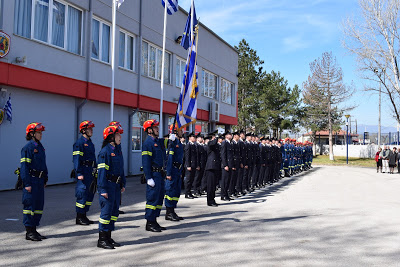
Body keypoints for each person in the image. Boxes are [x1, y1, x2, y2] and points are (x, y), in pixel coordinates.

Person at [97, 125, 126, 249]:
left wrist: (122, 183)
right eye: (118, 134)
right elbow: (102, 172)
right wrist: (102, 189)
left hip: (116, 185)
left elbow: (121, 169)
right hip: (108, 185)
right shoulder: (105, 152)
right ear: (111, 137)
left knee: (114, 212)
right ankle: (102, 239)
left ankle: (108, 236)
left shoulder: (117, 150)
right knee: (106, 212)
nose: (120, 137)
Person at [21, 122, 48, 241]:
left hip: (39, 180)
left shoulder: (40, 147)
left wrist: (45, 177)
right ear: (31, 134)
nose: (41, 135)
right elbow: (24, 167)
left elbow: (43, 164)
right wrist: (27, 183)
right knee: (29, 206)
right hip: (31, 180)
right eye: (38, 132)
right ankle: (29, 231)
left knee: (38, 205)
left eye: (41, 132)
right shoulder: (28, 148)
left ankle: (34, 229)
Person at [142, 119, 167, 232]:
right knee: (152, 199)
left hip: (160, 174)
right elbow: (146, 161)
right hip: (154, 174)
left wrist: (173, 136)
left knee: (159, 198)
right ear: (150, 130)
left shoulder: (158, 141)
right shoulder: (148, 143)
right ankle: (149, 222)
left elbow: (167, 142)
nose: (158, 129)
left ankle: (154, 220)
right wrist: (148, 178)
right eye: (155, 128)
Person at [73, 120, 96, 226]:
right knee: (82, 194)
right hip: (83, 170)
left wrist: (95, 170)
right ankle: (79, 217)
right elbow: (77, 159)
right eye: (89, 129)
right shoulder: (79, 143)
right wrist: (79, 173)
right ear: (83, 130)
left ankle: (84, 215)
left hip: (90, 171)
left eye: (91, 129)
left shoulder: (90, 143)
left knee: (90, 194)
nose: (91, 130)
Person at [164, 124, 184, 221]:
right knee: (170, 191)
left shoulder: (178, 142)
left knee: (176, 192)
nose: (182, 132)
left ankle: (172, 211)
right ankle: (168, 212)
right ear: (176, 131)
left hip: (177, 170)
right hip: (172, 170)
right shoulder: (172, 142)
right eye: (181, 130)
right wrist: (168, 173)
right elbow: (169, 159)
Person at [109, 121, 126, 215]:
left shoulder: (118, 146)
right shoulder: (109, 148)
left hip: (118, 171)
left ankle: (117, 207)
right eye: (118, 133)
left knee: (118, 192)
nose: (119, 135)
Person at [204, 130, 220, 206]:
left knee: (213, 185)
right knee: (210, 185)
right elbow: (213, 143)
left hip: (215, 167)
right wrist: (216, 138)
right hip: (210, 167)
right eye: (214, 136)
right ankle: (210, 201)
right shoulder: (210, 143)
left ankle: (212, 199)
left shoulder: (215, 145)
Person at [184, 132, 199, 199]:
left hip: (193, 165)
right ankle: (187, 193)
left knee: (192, 179)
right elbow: (187, 156)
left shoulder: (194, 145)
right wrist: (188, 165)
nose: (194, 138)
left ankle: (190, 192)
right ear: (190, 138)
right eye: (193, 137)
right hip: (190, 165)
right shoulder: (188, 145)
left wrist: (197, 165)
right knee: (188, 180)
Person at [221, 131, 234, 201]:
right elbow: (223, 155)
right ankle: (223, 195)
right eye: (229, 134)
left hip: (230, 165)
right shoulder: (224, 143)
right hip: (226, 165)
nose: (231, 135)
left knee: (228, 181)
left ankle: (226, 194)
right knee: (225, 181)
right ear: (226, 136)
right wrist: (225, 164)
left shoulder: (230, 143)